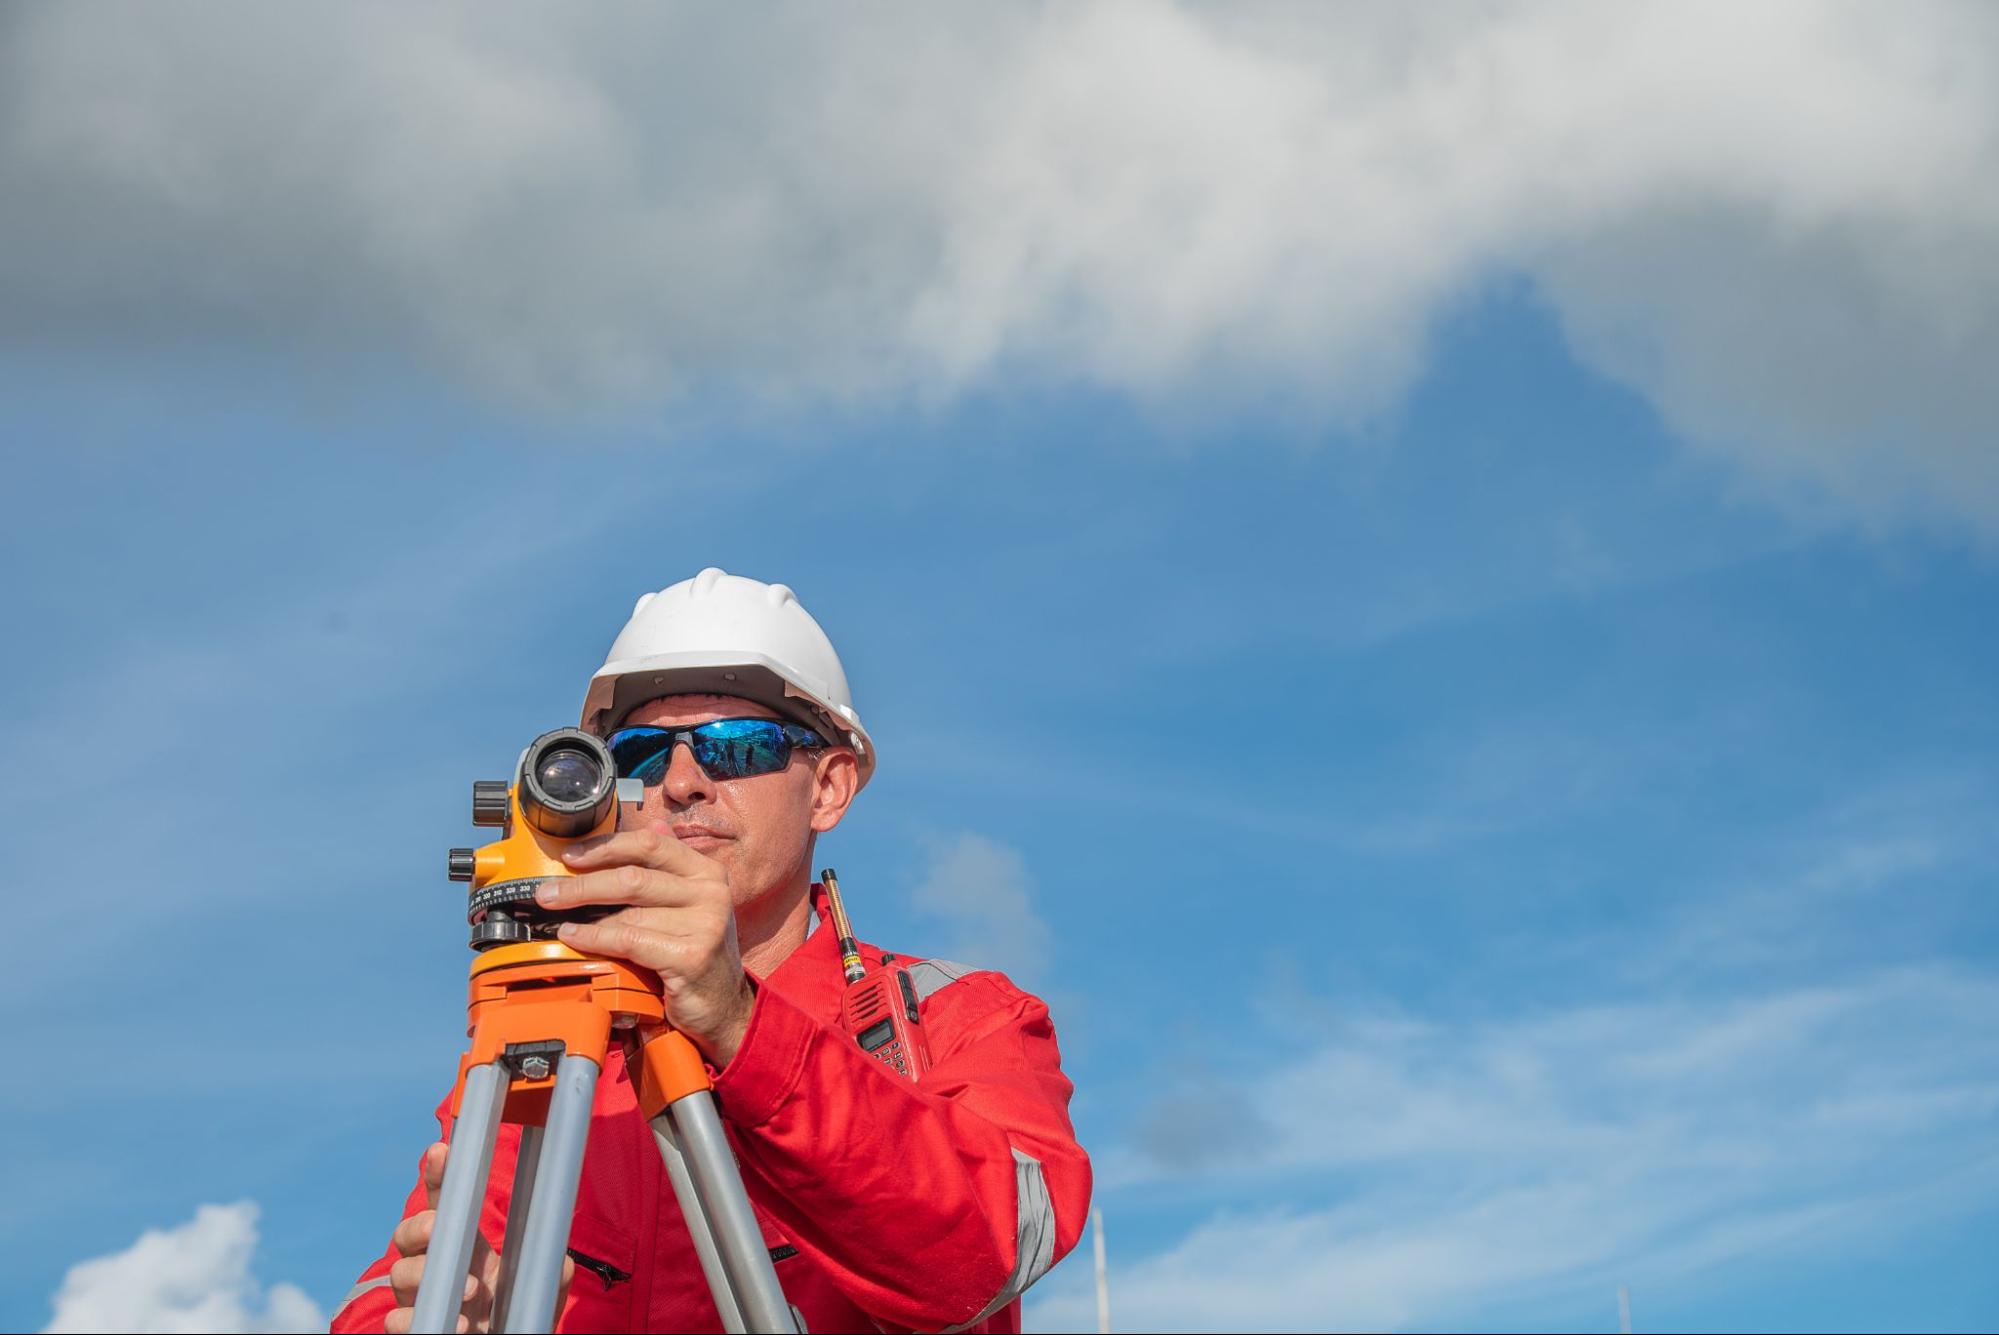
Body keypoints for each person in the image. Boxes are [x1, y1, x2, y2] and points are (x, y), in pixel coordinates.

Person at [331, 568, 1090, 1333]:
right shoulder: (551, 1048)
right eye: (641, 755)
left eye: (736, 747)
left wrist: (738, 1023)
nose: (683, 783)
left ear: (828, 785)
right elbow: (379, 1297)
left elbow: (981, 1259)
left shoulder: (954, 1016)